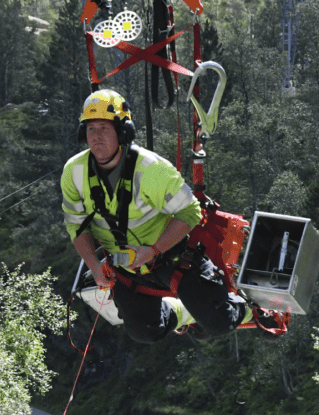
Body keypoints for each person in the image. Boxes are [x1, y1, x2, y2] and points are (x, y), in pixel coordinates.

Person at [61, 89, 258, 344]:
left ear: (122, 132)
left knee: (220, 323)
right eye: (90, 129)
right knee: (144, 331)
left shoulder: (150, 169)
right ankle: (184, 312)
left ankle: (248, 308)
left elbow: (190, 211)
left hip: (171, 257)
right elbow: (76, 226)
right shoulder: (74, 172)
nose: (96, 137)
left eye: (103, 128)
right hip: (125, 266)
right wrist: (94, 266)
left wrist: (153, 250)